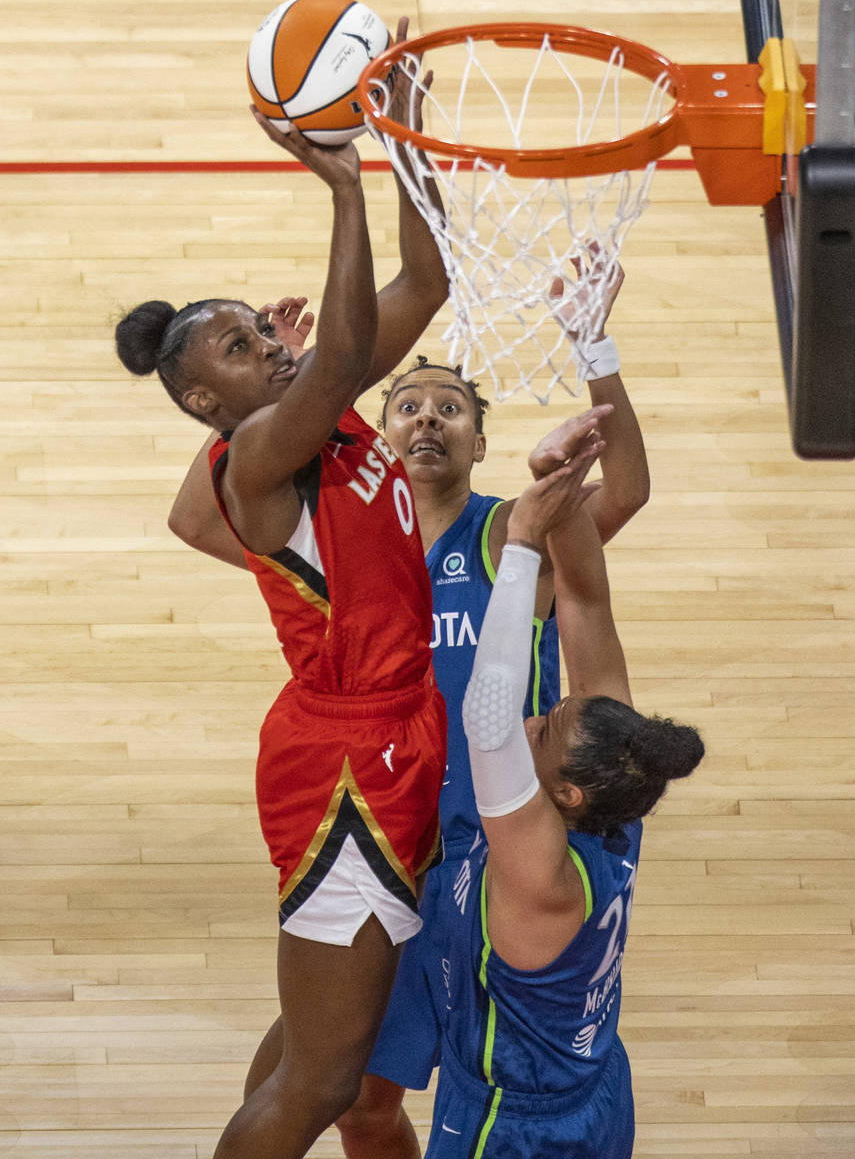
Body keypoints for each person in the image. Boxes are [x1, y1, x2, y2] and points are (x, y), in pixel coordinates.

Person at [167, 270, 649, 1157]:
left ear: (477, 443)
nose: (427, 418)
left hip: (497, 858)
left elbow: (619, 496)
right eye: (407, 405)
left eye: (451, 407)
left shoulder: (516, 533)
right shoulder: (343, 542)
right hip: (388, 842)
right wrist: (289, 392)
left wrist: (596, 353)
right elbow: (197, 521)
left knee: (470, 1069)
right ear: (373, 433)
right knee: (345, 1091)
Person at [114, 22, 454, 1159]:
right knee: (320, 1083)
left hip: (394, 728)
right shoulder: (260, 451)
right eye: (234, 348)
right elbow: (354, 329)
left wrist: (402, 140)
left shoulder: (317, 405)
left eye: (256, 328)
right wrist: (343, 186)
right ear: (206, 407)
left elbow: (428, 280)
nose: (264, 343)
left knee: (313, 1039)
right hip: (345, 764)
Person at [419, 417, 704, 1157]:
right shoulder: (618, 794)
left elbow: (488, 721)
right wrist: (561, 490)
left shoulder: (538, 872)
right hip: (597, 1085)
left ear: (569, 794)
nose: (535, 718)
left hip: (516, 1123)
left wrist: (518, 547)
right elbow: (584, 599)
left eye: (544, 731)